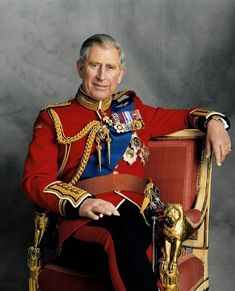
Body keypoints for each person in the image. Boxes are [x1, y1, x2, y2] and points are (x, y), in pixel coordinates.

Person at [22, 34, 232, 291]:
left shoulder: (135, 111)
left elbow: (186, 117)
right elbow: (35, 181)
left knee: (129, 227)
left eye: (109, 67)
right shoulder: (54, 118)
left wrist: (214, 122)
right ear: (80, 68)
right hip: (81, 226)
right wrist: (81, 203)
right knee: (121, 232)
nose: (102, 75)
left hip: (136, 221)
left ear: (120, 74)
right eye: (94, 65)